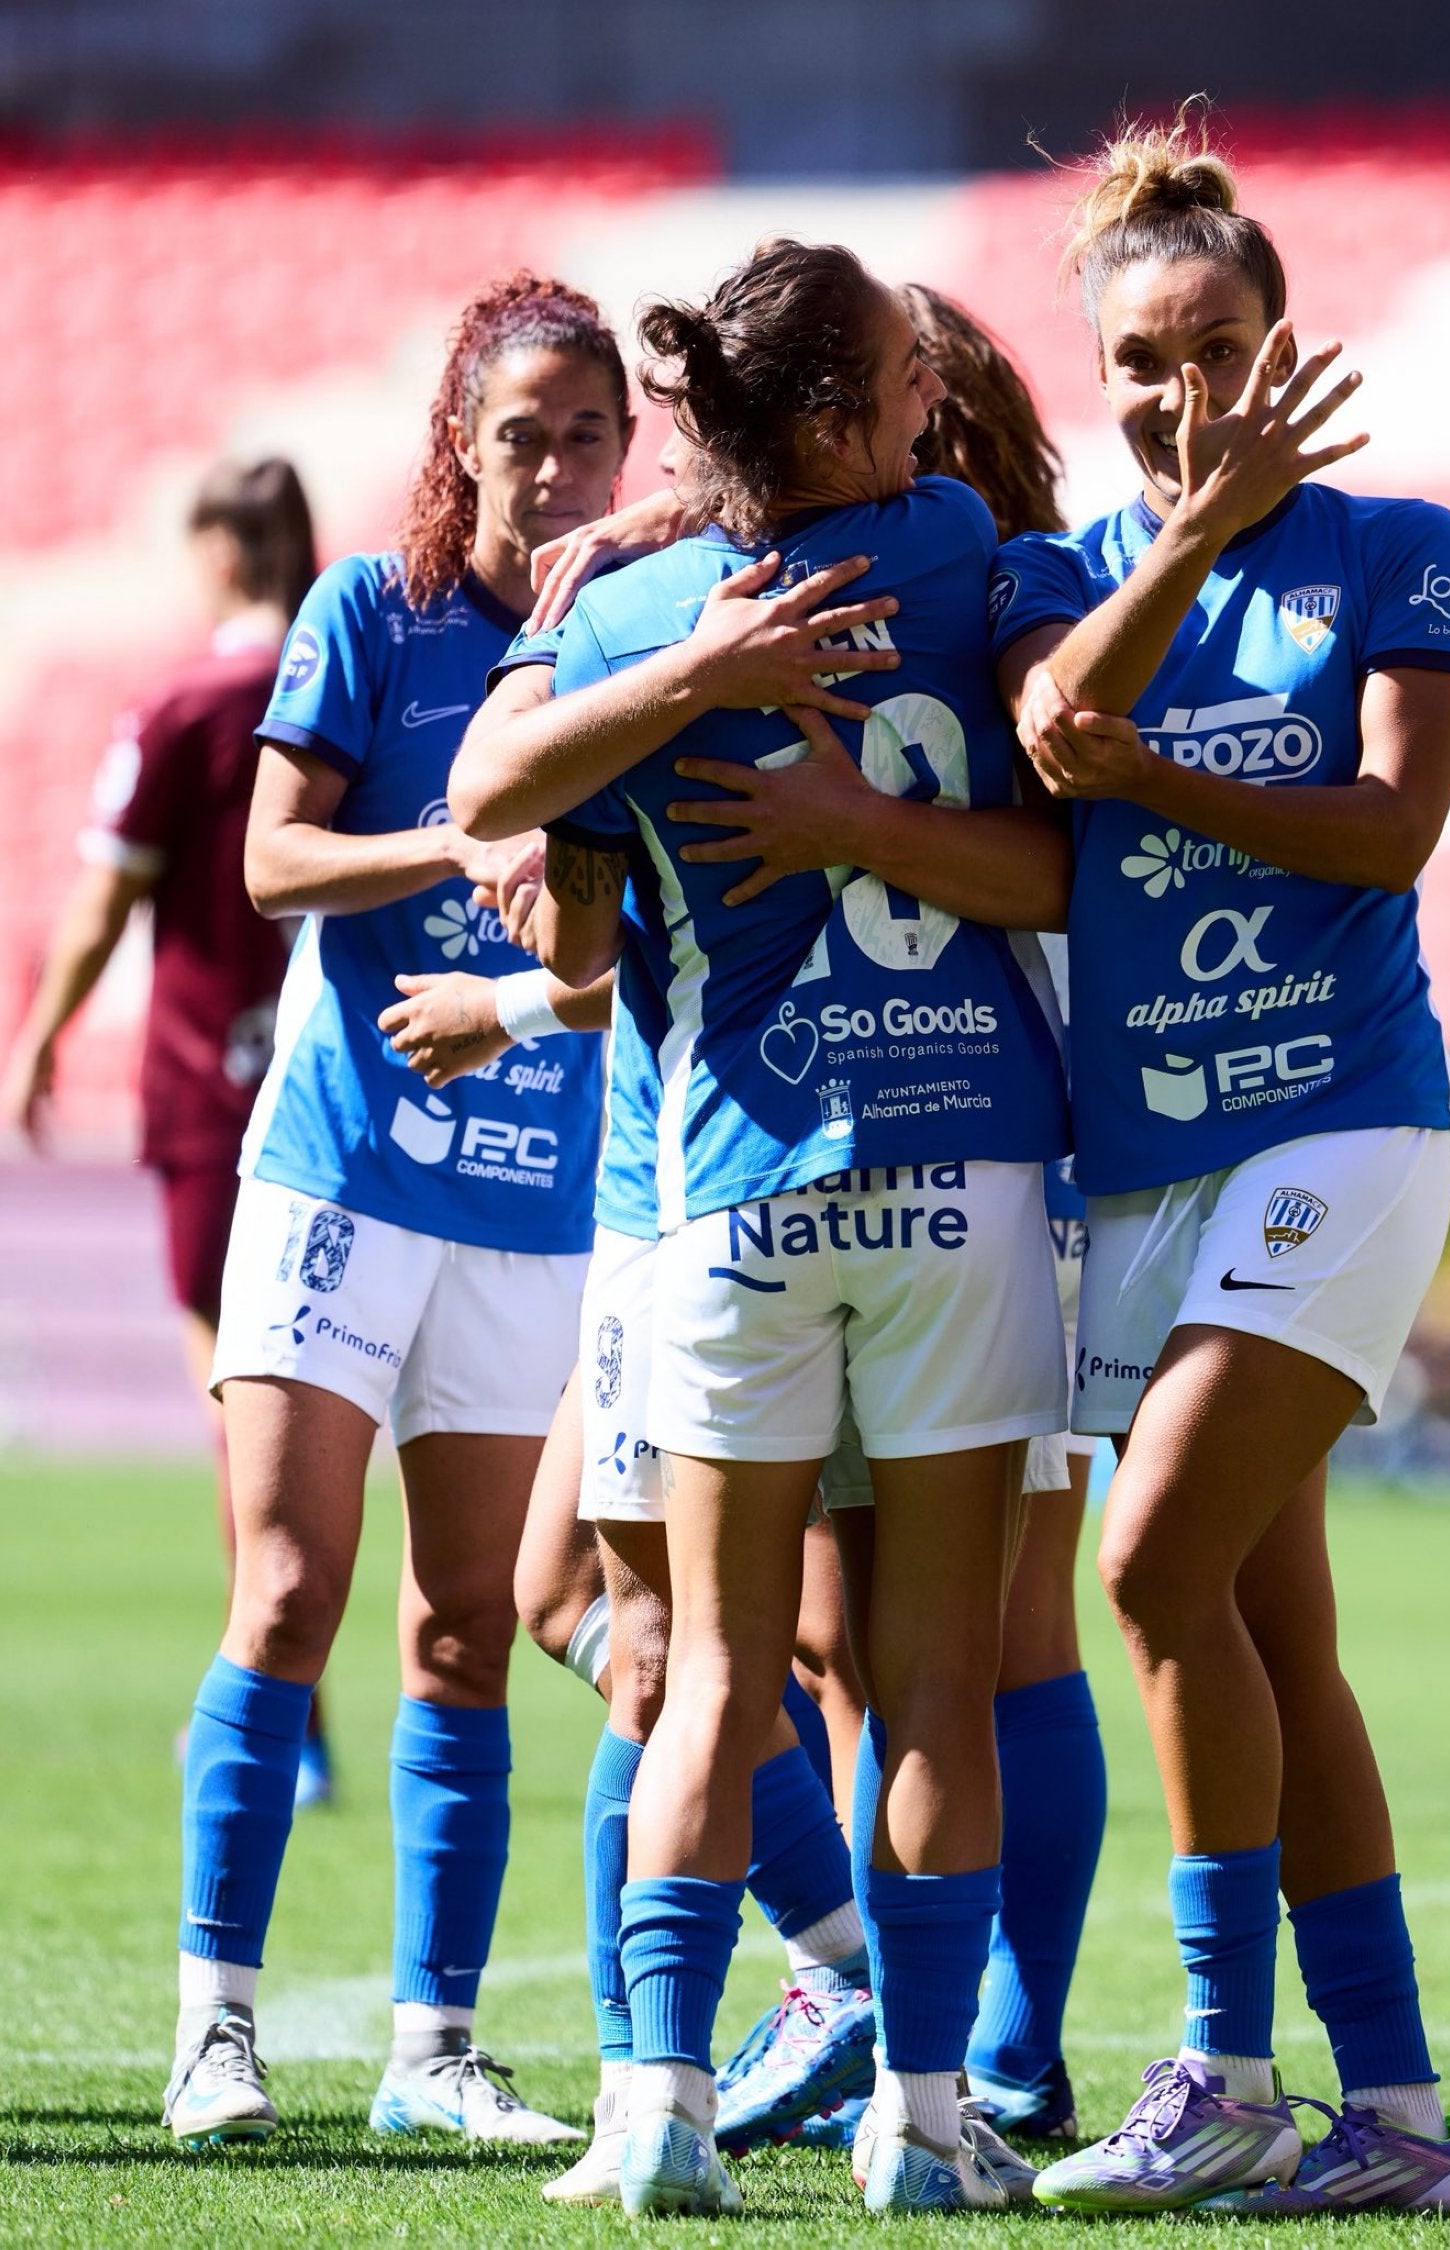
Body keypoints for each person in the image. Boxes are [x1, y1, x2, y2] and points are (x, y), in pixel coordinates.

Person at [449, 237, 1075, 2216]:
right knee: (935, 1686)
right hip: (961, 1172)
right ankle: (924, 2111)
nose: (931, 397)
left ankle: (656, 2102)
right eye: (901, 369)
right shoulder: (966, 547)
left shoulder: (630, 600)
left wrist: (685, 663)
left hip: (732, 1191)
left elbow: (489, 797)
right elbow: (1057, 865)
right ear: (827, 416)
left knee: (709, 1672)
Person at [988, 112, 1450, 2215]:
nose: (1179, 394)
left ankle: (1221, 2074)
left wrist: (1160, 776)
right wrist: (1194, 544)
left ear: (1285, 343)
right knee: (1278, 1641)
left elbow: (1392, 831)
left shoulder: (1399, 547)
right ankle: (1399, 2118)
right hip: (1151, 1167)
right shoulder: (1060, 573)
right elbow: (1044, 742)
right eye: (1139, 361)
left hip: (1347, 1118)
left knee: (1145, 1568)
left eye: (1216, 350)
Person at [161, 272, 629, 2154]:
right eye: (518, 432)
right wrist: (463, 833)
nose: (550, 466)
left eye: (585, 432)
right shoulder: (377, 609)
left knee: (459, 1631)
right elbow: (273, 861)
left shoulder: (642, 638)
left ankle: (434, 2048)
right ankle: (216, 2027)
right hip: (343, 1172)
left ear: (627, 449)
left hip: (535, 1200)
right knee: (287, 1592)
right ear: (463, 442)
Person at [1, 460, 339, 1798]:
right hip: (366, 1086)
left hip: (217, 1093)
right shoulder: (363, 681)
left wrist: (34, 1042)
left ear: (217, 550)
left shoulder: (190, 704)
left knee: (239, 1402)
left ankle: (281, 1714)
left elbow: (101, 905)